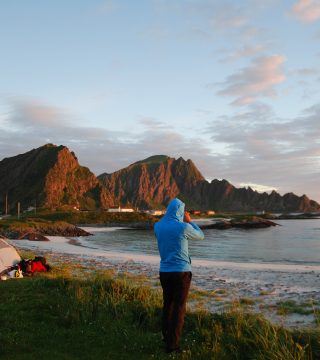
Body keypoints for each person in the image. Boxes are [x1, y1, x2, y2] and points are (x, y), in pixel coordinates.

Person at [154, 198, 204, 353]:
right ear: (180, 211)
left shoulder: (157, 226)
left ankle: (166, 336)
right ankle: (173, 345)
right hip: (181, 272)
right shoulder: (183, 227)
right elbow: (200, 236)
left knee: (167, 305)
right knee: (179, 308)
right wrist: (190, 221)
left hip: (164, 272)